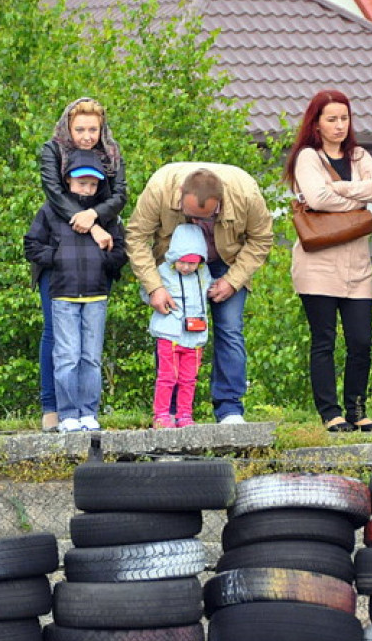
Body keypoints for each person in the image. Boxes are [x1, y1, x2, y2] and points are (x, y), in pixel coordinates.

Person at [126, 163, 273, 424]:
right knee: (171, 333)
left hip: (227, 261)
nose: (198, 223)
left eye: (206, 217)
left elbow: (261, 239)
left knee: (230, 329)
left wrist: (233, 281)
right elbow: (136, 237)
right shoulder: (160, 187)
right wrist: (155, 287)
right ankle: (169, 411)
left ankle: (229, 409)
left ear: (221, 202)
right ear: (181, 194)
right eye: (191, 216)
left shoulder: (246, 192)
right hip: (175, 266)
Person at [285, 90, 372, 432]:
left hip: (357, 265)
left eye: (344, 118)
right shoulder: (307, 157)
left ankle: (357, 409)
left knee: (361, 341)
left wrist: (339, 189)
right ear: (316, 123)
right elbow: (317, 198)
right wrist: (358, 201)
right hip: (318, 265)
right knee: (324, 340)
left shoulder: (358, 154)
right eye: (331, 119)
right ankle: (331, 413)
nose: (339, 125)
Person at [37, 97, 127, 431]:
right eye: (80, 129)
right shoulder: (53, 150)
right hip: (61, 247)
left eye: (93, 129)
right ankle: (53, 407)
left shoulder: (112, 153)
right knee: (56, 335)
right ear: (68, 128)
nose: (87, 136)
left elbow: (119, 196)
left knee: (89, 346)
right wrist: (89, 223)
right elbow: (54, 193)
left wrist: (95, 216)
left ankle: (86, 409)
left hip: (97, 254)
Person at [146, 223, 212, 429]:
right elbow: (147, 292)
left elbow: (210, 289)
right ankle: (161, 415)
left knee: (188, 379)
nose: (186, 267)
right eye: (182, 262)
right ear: (173, 256)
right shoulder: (162, 272)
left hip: (195, 337)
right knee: (167, 376)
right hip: (170, 334)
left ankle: (184, 415)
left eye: (192, 263)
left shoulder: (204, 274)